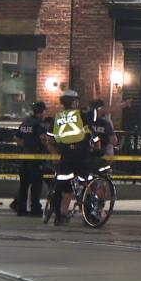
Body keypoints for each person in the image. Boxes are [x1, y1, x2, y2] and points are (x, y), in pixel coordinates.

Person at [51, 90, 95, 225]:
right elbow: (94, 120)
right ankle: (89, 216)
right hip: (80, 154)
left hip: (65, 154)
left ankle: (58, 217)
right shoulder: (81, 114)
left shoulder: (57, 117)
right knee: (87, 183)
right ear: (75, 102)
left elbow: (53, 137)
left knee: (60, 187)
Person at [15, 102, 54, 216]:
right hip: (36, 158)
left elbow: (18, 139)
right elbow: (43, 139)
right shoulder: (38, 124)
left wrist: (27, 146)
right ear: (42, 112)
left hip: (24, 157)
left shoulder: (25, 122)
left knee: (24, 184)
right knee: (36, 185)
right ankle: (35, 208)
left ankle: (21, 209)